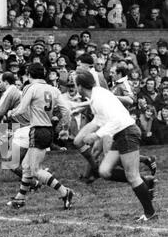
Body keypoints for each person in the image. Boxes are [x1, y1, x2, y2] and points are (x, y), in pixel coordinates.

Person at [74, 69, 157, 222]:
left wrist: (96, 135)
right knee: (104, 171)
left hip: (127, 132)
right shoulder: (97, 94)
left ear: (80, 86)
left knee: (132, 177)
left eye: (75, 85)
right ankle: (146, 182)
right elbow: (100, 119)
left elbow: (116, 121)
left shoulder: (98, 98)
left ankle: (150, 213)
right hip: (120, 134)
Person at [8, 63, 74, 209]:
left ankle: (65, 192)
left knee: (35, 170)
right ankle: (20, 198)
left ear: (29, 74)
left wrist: (11, 113)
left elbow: (22, 109)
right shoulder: (54, 89)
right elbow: (66, 112)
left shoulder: (31, 88)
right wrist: (64, 128)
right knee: (26, 166)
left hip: (37, 130)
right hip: (48, 130)